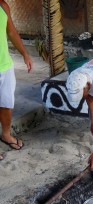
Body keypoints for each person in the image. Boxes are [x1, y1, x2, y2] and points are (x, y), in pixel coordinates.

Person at [0, 0, 32, 160]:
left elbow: (11, 32)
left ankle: (5, 134)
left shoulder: (3, 6)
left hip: (5, 66)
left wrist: (25, 54)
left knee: (6, 103)